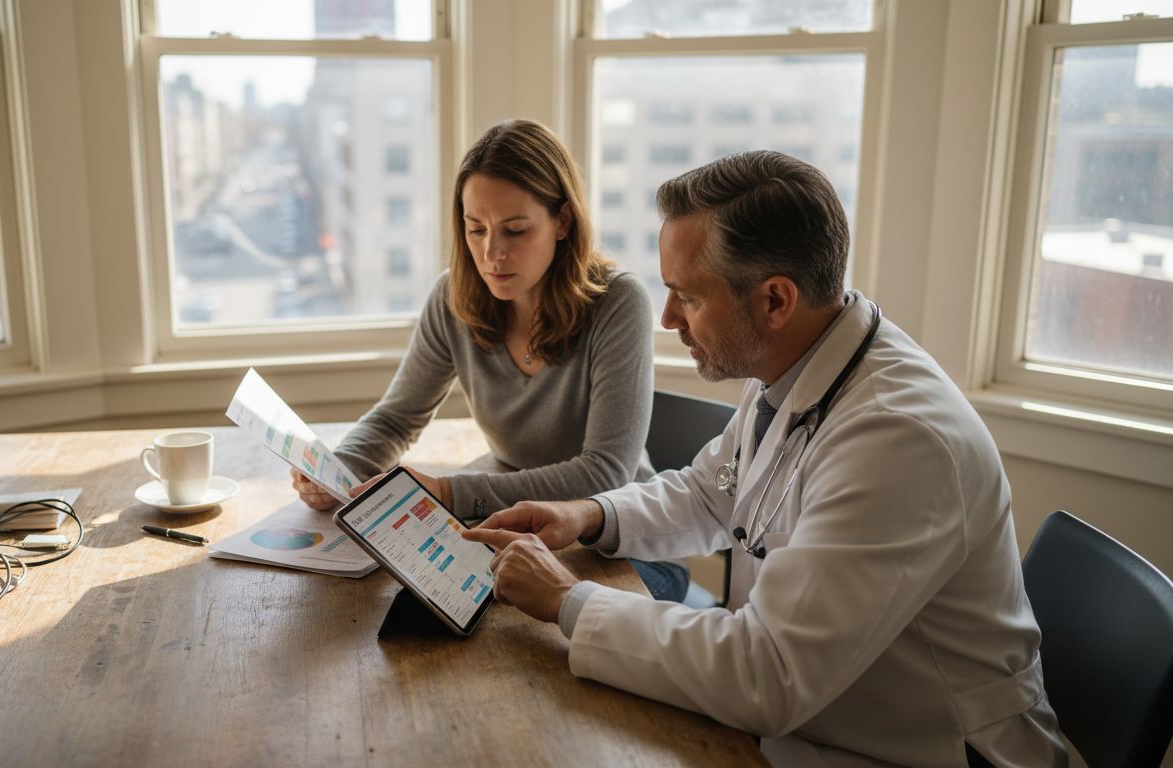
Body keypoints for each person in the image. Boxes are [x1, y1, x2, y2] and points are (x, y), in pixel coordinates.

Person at [461, 151, 1067, 766]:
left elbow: (768, 673)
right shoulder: (795, 359)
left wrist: (569, 599)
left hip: (923, 750)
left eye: (687, 297)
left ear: (775, 300)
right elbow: (709, 492)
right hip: (820, 722)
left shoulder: (897, 438)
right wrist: (587, 515)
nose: (668, 318)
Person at [291, 119, 690, 601]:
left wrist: (449, 493)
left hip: (623, 548)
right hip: (516, 531)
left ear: (562, 221)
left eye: (515, 230)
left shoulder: (617, 301)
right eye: (475, 228)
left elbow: (604, 472)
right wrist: (337, 469)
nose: (491, 253)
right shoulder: (453, 297)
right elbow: (398, 418)